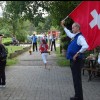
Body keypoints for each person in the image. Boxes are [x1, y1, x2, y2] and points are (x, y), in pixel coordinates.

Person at [61, 21, 89, 100]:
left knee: (77, 79)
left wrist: (77, 53)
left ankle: (79, 97)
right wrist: (63, 26)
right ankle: (77, 96)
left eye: (73, 27)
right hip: (73, 61)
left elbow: (85, 46)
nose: (72, 29)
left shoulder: (80, 37)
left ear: (77, 28)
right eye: (72, 27)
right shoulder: (75, 36)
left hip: (76, 60)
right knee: (75, 79)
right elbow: (69, 33)